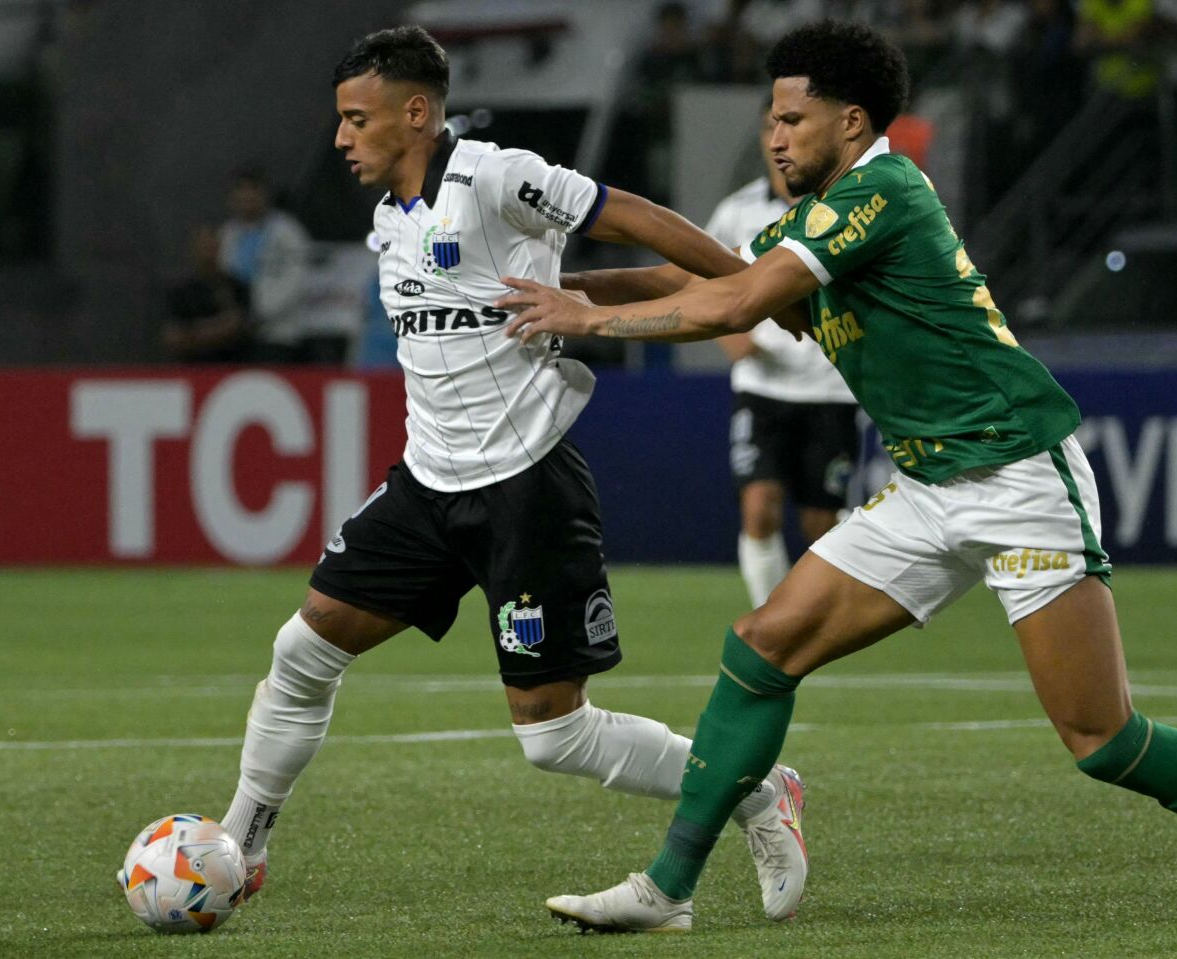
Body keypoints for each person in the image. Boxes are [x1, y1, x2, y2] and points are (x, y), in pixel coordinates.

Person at [497, 18, 1177, 932]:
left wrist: (584, 320)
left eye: (795, 117)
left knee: (1100, 738)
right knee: (761, 649)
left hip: (1021, 476)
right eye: (771, 118)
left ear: (855, 122)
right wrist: (576, 288)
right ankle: (669, 886)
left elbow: (737, 302)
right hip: (929, 487)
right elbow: (721, 274)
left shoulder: (883, 191)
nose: (776, 134)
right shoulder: (813, 222)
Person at [216, 25, 809, 924]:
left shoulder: (497, 175)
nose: (341, 138)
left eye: (356, 117)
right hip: (426, 483)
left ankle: (760, 792)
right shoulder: (387, 218)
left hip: (525, 485)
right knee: (303, 650)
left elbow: (637, 217)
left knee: (553, 735)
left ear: (415, 111)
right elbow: (509, 292)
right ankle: (240, 846)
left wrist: (758, 288)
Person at [705, 102, 858, 607]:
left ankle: (820, 614)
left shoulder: (845, 205)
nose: (781, 142)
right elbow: (705, 279)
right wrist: (732, 339)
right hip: (762, 386)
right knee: (760, 506)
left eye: (792, 128)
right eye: (774, 129)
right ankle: (772, 616)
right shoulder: (737, 211)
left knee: (822, 522)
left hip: (830, 386)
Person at [217, 169, 316, 362]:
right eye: (241, 191)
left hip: (278, 334)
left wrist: (256, 315)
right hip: (233, 334)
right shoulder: (227, 233)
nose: (247, 197)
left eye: (252, 191)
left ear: (265, 194)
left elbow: (293, 282)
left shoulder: (288, 232)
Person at [162, 225, 250, 363]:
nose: (207, 252)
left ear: (219, 248)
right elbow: (174, 337)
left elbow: (240, 327)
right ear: (193, 250)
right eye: (203, 247)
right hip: (192, 368)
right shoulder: (181, 291)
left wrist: (193, 334)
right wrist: (218, 330)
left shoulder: (235, 286)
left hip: (231, 366)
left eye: (211, 246)